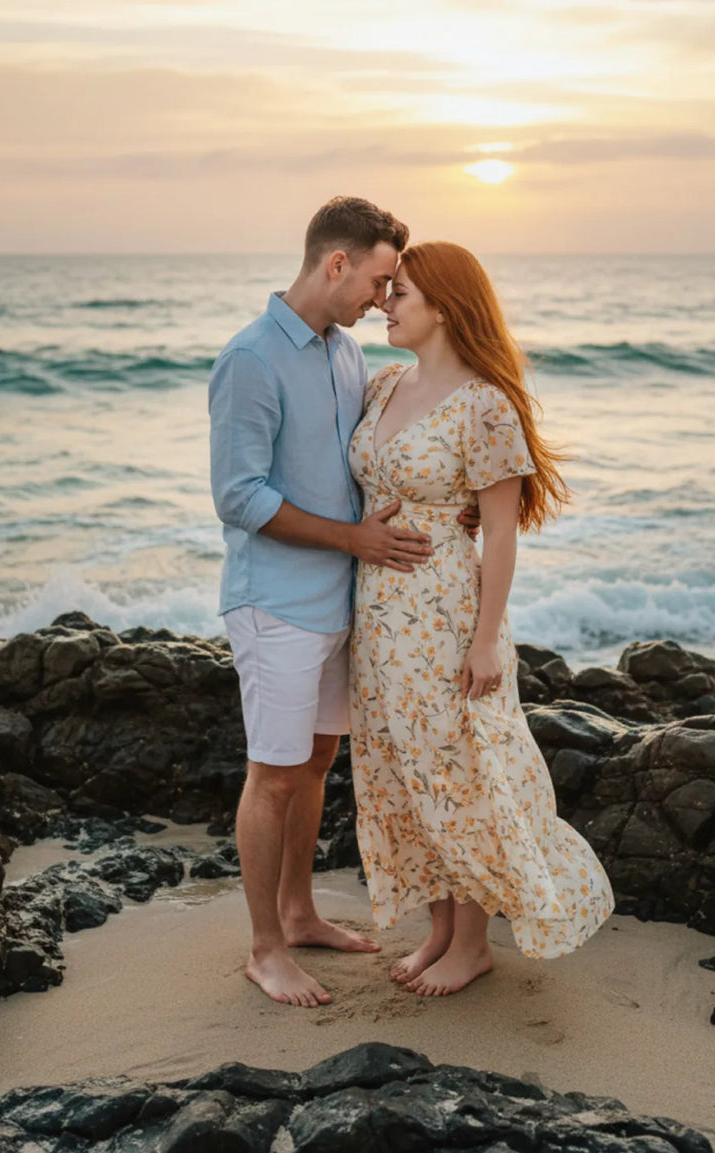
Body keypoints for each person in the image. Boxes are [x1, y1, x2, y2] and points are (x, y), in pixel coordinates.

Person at [209, 198, 476, 1008]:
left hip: (346, 603)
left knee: (317, 763)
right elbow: (239, 496)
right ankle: (264, 949)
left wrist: (450, 505)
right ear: (336, 264)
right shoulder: (251, 359)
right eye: (378, 278)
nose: (380, 297)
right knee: (274, 775)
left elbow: (378, 455)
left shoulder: (343, 355)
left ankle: (297, 912)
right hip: (278, 604)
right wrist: (354, 540)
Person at [348, 241, 615, 997]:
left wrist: (485, 641)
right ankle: (438, 930)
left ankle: (473, 944)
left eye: (400, 293)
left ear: (443, 305)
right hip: (377, 612)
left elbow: (500, 532)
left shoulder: (485, 403)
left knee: (458, 770)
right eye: (387, 291)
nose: (386, 304)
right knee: (403, 769)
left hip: (444, 612)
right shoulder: (386, 384)